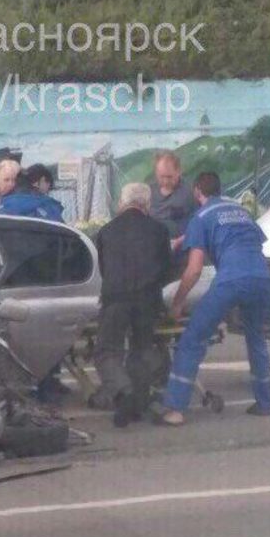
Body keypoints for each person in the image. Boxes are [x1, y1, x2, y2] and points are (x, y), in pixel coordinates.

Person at [159, 171, 270, 426]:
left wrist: (178, 302)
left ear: (198, 192)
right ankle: (265, 403)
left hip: (230, 281)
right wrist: (184, 239)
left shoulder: (200, 217)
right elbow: (243, 239)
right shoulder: (242, 212)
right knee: (256, 339)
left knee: (192, 340)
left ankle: (175, 409)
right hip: (262, 279)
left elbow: (195, 269)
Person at [93, 183, 176, 427]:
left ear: (122, 202)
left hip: (115, 298)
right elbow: (167, 269)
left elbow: (105, 270)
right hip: (147, 300)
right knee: (141, 349)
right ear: (147, 204)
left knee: (107, 351)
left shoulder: (106, 231)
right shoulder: (159, 230)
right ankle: (139, 403)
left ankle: (123, 391)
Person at [149, 151, 197, 240]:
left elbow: (199, 225)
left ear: (179, 171)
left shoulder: (190, 192)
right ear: (156, 172)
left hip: (181, 243)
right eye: (162, 177)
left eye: (169, 177)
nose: (166, 181)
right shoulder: (148, 193)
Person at [0, 164, 64, 223]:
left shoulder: (3, 204)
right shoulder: (46, 205)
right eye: (49, 184)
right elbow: (61, 230)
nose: (47, 191)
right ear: (42, 180)